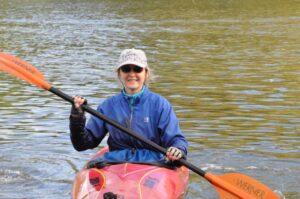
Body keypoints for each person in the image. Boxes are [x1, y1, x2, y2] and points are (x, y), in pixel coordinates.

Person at [69, 48, 188, 164]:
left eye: (137, 69)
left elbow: (176, 139)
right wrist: (77, 118)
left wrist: (178, 149)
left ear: (146, 73)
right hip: (117, 163)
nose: (132, 74)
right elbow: (82, 145)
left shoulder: (160, 105)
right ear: (119, 73)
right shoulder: (107, 106)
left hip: (153, 163)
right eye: (126, 69)